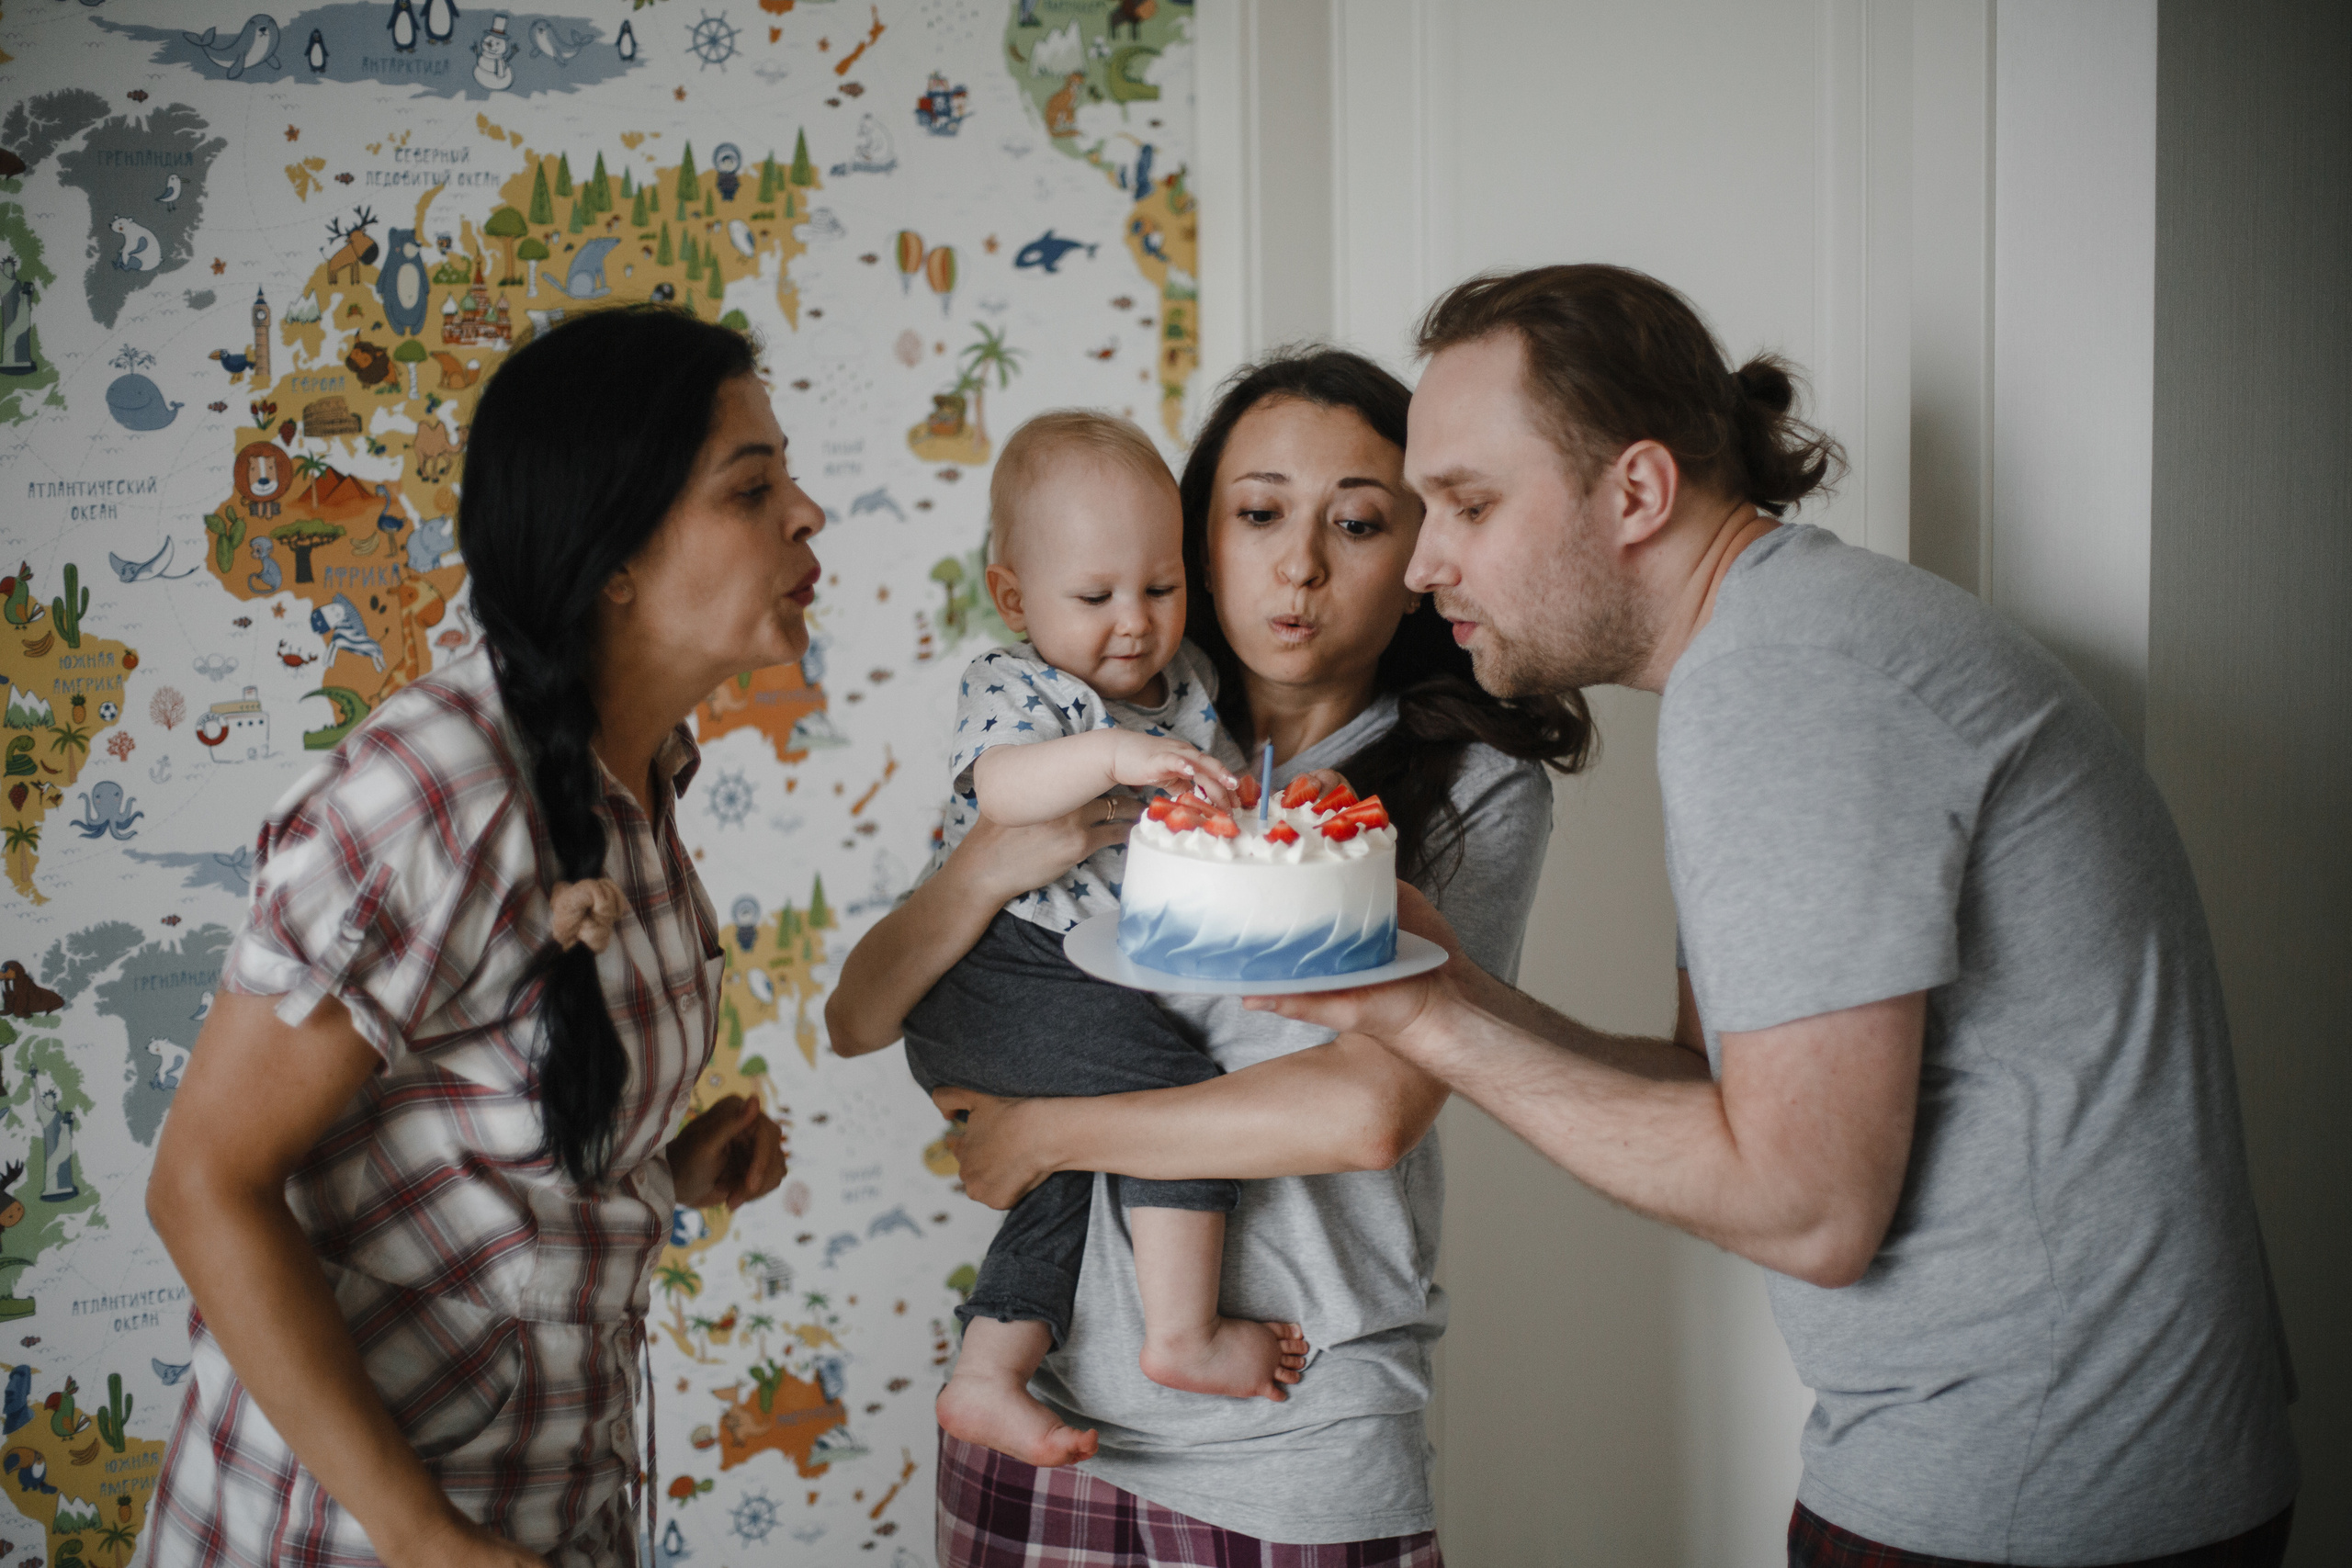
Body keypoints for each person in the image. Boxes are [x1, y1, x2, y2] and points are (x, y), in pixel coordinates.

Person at [1250, 265, 2301, 1567]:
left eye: (1466, 502)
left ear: (1636, 491)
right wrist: (1452, 985)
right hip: (2080, 1463)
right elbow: (1719, 1085)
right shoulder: (1793, 641)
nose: (1422, 562)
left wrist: (1424, 1020)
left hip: (2028, 1491)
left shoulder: (1781, 684)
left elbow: (1808, 1206)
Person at [828, 349, 1591, 1562]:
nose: (1300, 562)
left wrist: (1049, 1132)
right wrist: (987, 863)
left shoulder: (1473, 788)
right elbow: (863, 1012)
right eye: (1258, 512)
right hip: (1048, 1416)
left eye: (1356, 521)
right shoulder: (1109, 731)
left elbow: (1366, 1112)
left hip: (1297, 1438)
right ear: (1200, 542)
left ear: (1414, 566)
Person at [142, 307, 807, 1568]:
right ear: (616, 552)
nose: (807, 514)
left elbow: (476, 1150)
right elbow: (203, 1184)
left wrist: (661, 1169)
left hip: (547, 1506)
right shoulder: (438, 785)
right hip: (349, 1531)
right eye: (755, 486)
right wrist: (425, 1538)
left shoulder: (640, 773)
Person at [900, 409, 1307, 1472]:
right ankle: (1184, 1336)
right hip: (1001, 968)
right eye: (1094, 597)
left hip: (1073, 980)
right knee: (1171, 1094)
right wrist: (1114, 752)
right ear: (1013, 597)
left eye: (1160, 590)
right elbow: (1002, 786)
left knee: (1075, 1170)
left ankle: (988, 1370)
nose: (1132, 623)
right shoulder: (1018, 686)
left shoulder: (1190, 695)